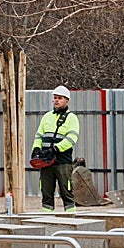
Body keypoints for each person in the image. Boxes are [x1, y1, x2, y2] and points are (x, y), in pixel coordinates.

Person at [31, 85, 80, 213]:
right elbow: (39, 135)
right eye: (55, 98)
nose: (56, 100)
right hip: (46, 161)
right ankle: (46, 218)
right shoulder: (47, 117)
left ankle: (71, 219)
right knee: (46, 193)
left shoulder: (71, 118)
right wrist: (36, 148)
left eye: (60, 98)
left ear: (66, 100)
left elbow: (71, 139)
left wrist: (56, 149)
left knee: (66, 193)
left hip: (62, 161)